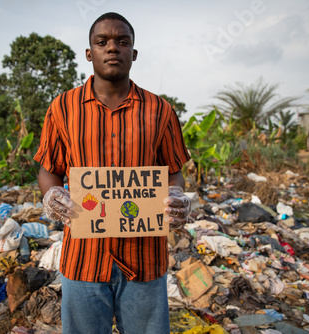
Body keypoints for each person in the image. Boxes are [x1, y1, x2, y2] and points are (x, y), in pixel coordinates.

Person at [34, 12, 191, 334]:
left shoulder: (160, 110)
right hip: (84, 259)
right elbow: (49, 170)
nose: (112, 48)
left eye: (122, 42)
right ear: (89, 53)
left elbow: (173, 172)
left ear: (133, 53)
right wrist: (51, 194)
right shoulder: (62, 108)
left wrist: (175, 193)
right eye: (102, 41)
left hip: (145, 258)